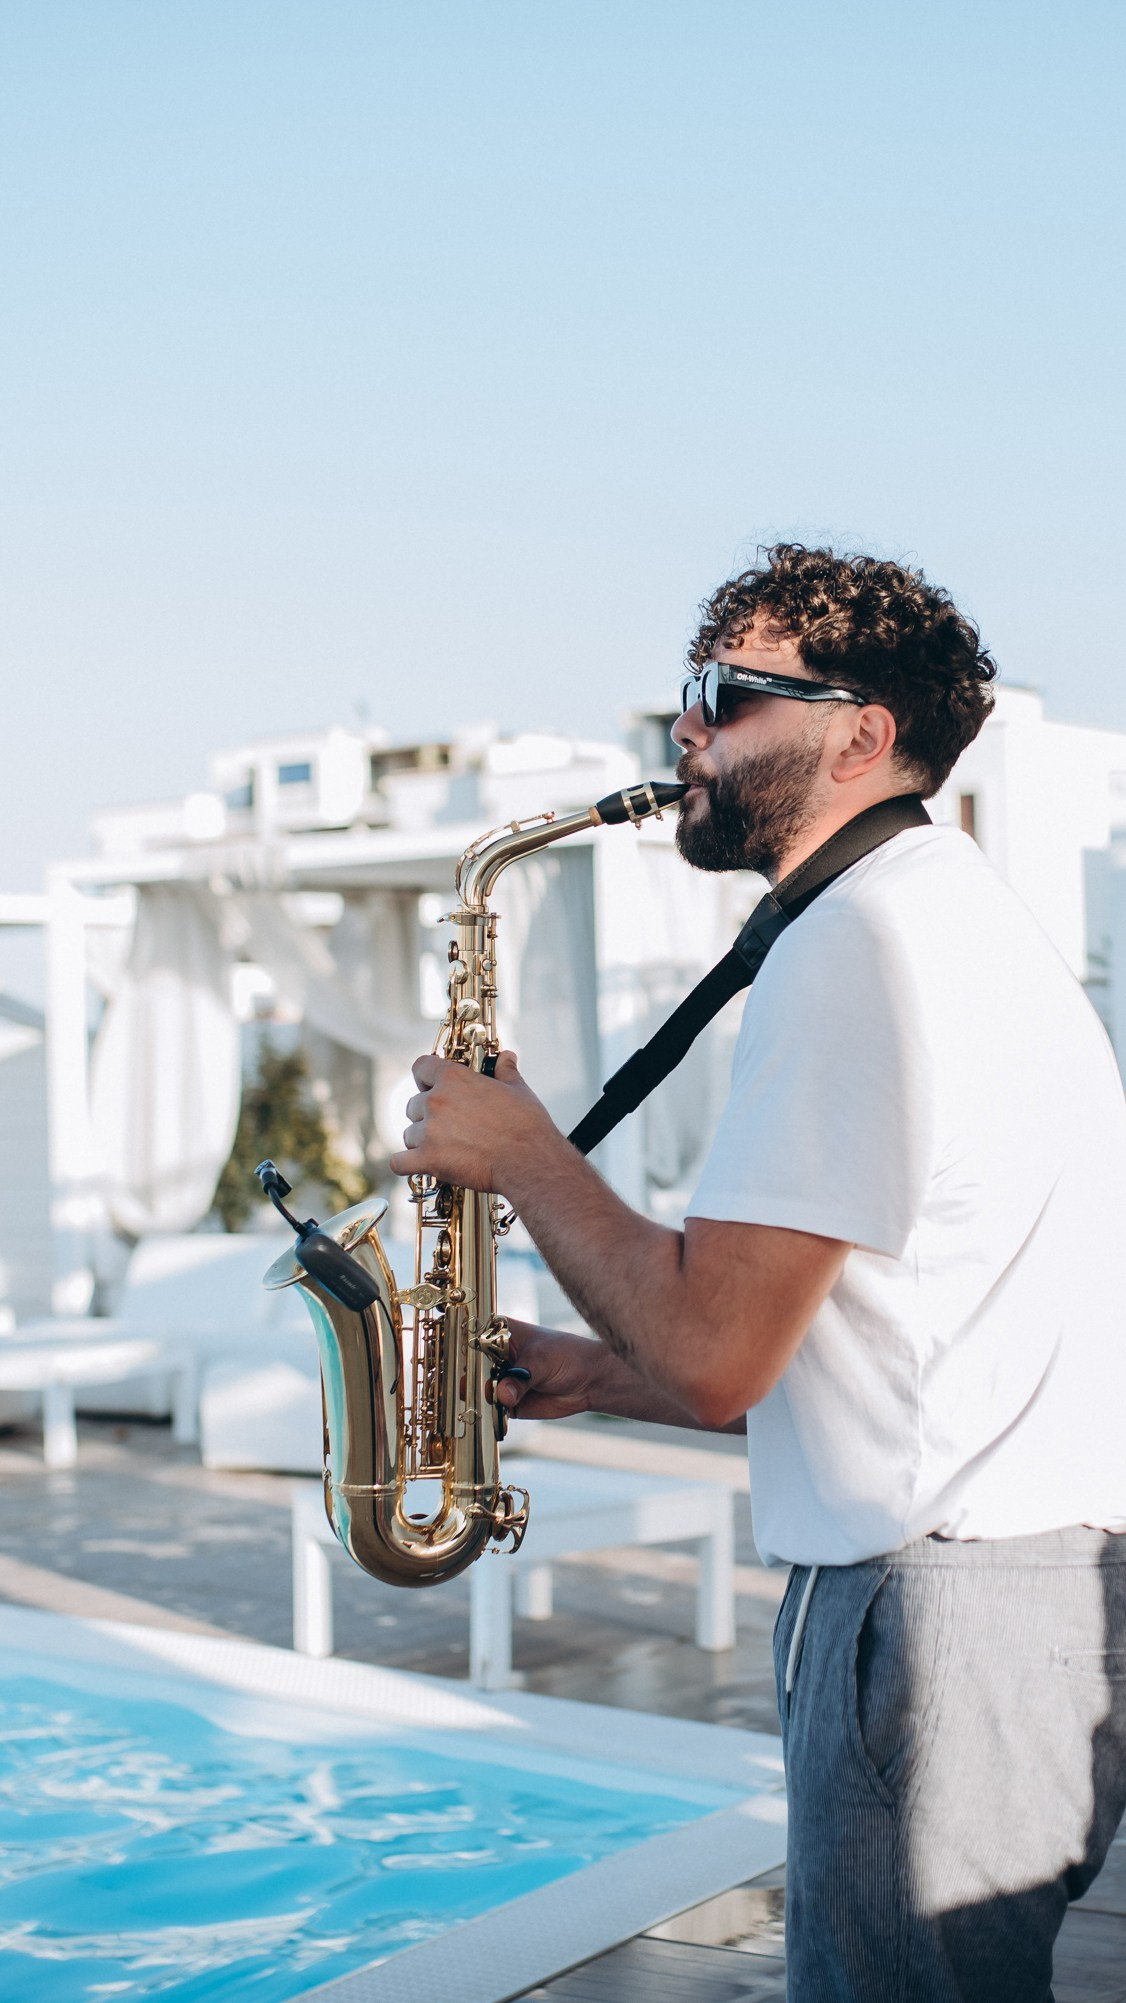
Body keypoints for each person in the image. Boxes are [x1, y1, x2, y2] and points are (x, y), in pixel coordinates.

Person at [389, 544, 1126, 2002]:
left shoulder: (860, 945)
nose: (685, 726)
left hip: (943, 1619)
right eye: (689, 689)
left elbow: (718, 1352)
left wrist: (522, 1155)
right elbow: (894, 1346)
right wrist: (601, 1373)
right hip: (1007, 1603)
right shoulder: (945, 917)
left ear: (860, 735)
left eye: (727, 694)